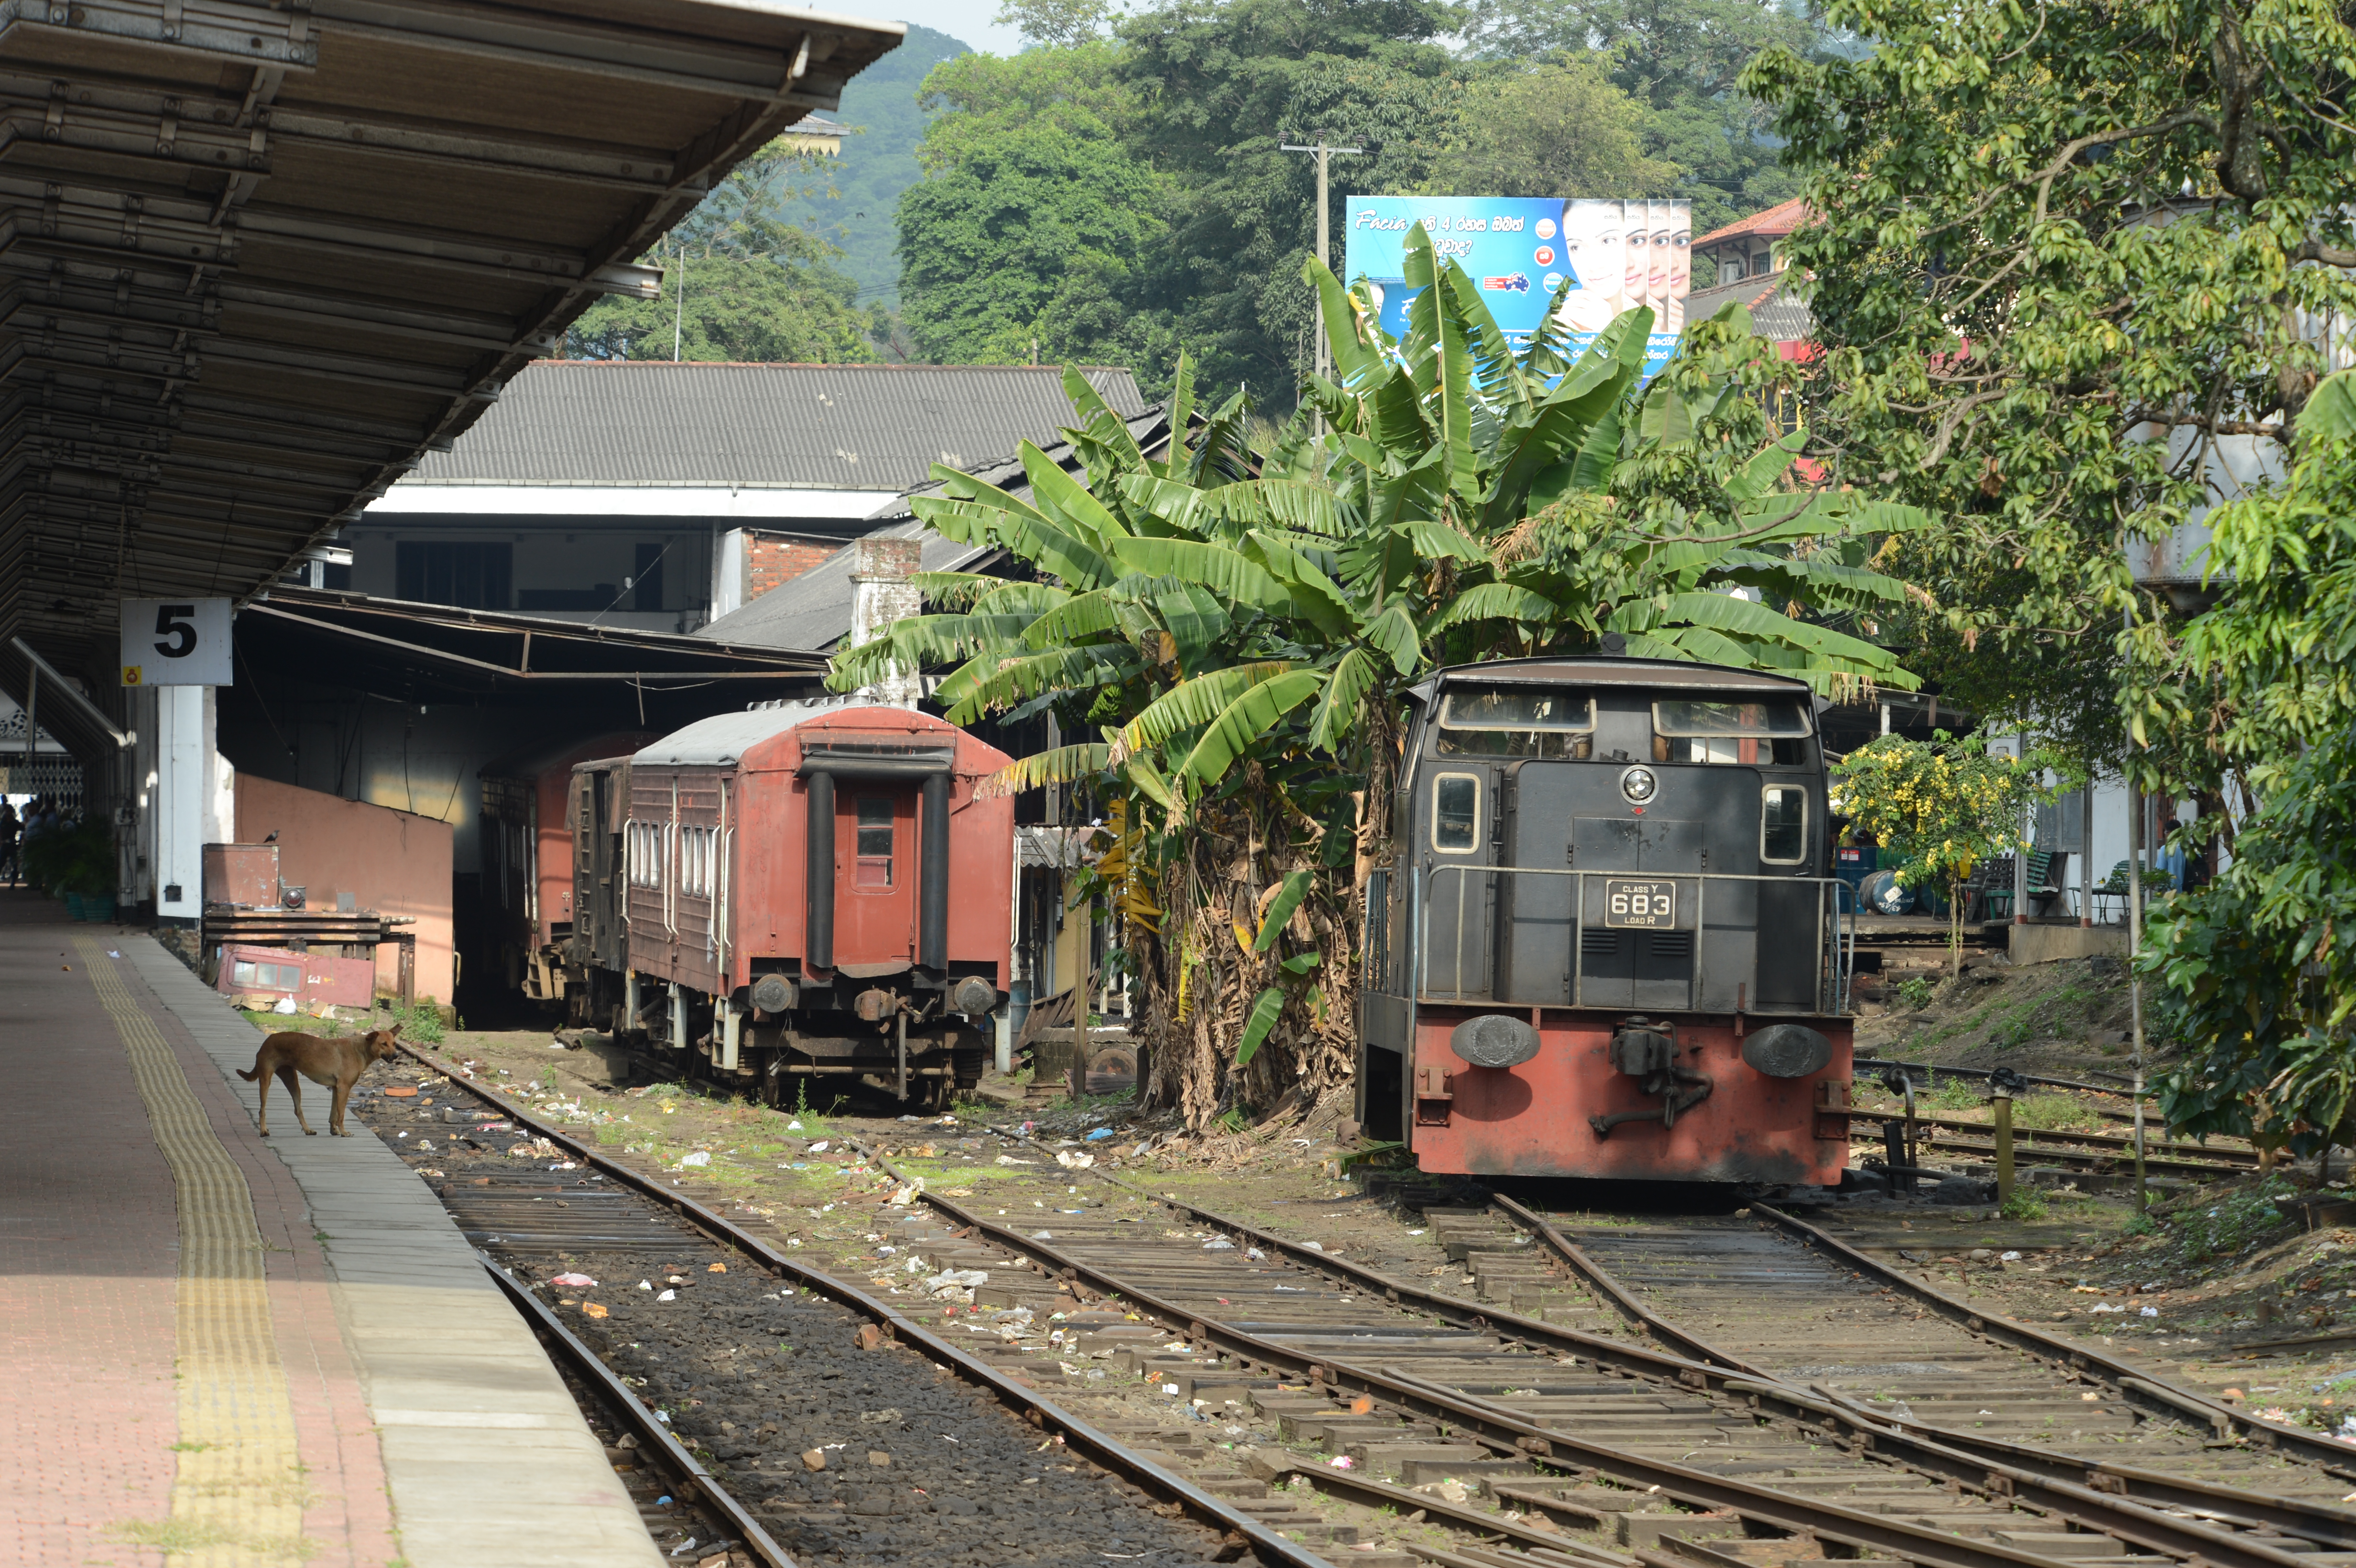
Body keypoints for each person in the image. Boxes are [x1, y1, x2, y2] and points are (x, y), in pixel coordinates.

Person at [0, 801, 19, 885]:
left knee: (14, 864)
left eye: (9, 811)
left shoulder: (15, 823)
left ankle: (13, 882)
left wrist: (20, 840)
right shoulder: (2, 822)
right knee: (1, 863)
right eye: (6, 811)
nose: (7, 813)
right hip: (4, 845)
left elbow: (23, 829)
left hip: (12, 844)